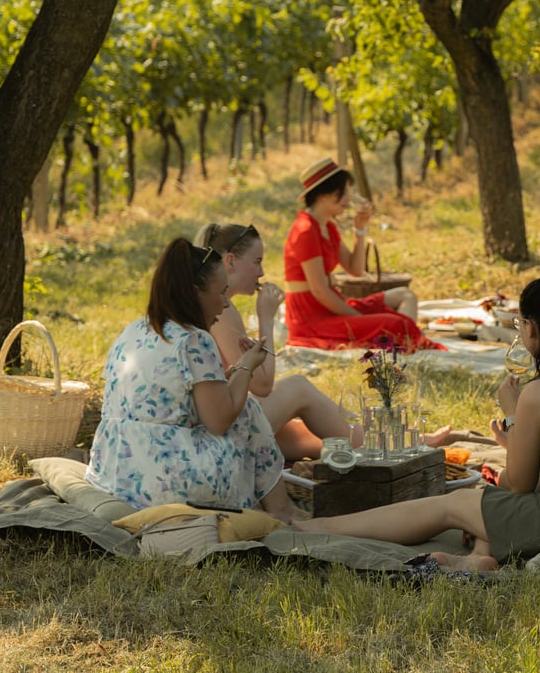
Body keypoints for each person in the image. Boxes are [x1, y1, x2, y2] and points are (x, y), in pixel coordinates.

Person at [295, 277, 540, 571]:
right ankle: (479, 557)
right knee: (488, 503)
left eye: (519, 325)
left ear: (532, 328)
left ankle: (321, 528)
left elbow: (518, 484)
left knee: (453, 504)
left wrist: (514, 415)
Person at [85, 239, 304, 522]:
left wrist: (229, 375)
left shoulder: (134, 330)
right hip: (166, 483)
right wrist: (246, 366)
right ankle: (282, 511)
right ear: (195, 292)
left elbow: (167, 399)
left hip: (117, 471)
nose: (226, 303)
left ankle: (276, 508)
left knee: (237, 404)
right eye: (221, 292)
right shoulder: (194, 339)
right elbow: (220, 421)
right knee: (248, 410)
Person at [195, 221, 452, 460]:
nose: (261, 272)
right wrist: (266, 319)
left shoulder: (217, 305)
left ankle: (389, 441)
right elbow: (263, 385)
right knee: (298, 387)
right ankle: (389, 444)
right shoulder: (222, 311)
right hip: (215, 426)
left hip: (213, 417)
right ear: (230, 261)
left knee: (299, 433)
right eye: (257, 262)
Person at [283, 158, 438, 351]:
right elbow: (319, 290)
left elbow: (355, 269)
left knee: (405, 295)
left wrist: (360, 229)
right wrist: (357, 317)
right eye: (343, 193)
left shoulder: (328, 226)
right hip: (311, 317)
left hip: (330, 306)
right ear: (323, 195)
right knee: (394, 323)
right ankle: (402, 340)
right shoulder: (305, 231)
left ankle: (402, 339)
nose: (348, 200)